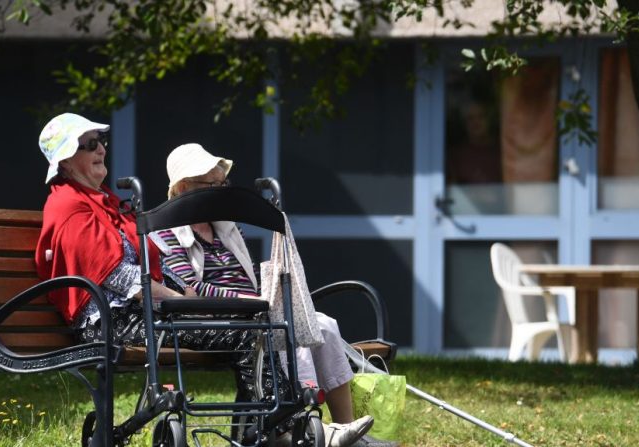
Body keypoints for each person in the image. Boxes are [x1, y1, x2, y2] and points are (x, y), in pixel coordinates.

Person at [33, 113, 290, 415]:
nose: (101, 149)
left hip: (142, 316)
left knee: (253, 323)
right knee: (245, 332)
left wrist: (185, 290)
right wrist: (178, 300)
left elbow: (152, 261)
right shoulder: (68, 205)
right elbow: (116, 274)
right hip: (111, 323)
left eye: (101, 141)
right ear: (65, 161)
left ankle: (266, 424)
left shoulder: (104, 201)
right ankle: (279, 425)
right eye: (89, 144)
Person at [156, 143, 396, 447]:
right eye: (212, 185)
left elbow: (250, 279)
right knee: (285, 333)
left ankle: (346, 429)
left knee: (323, 324)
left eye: (223, 184)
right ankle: (300, 430)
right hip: (212, 316)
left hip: (255, 309)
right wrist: (244, 302)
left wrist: (264, 296)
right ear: (183, 187)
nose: (221, 191)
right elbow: (189, 287)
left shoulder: (227, 228)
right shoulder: (165, 233)